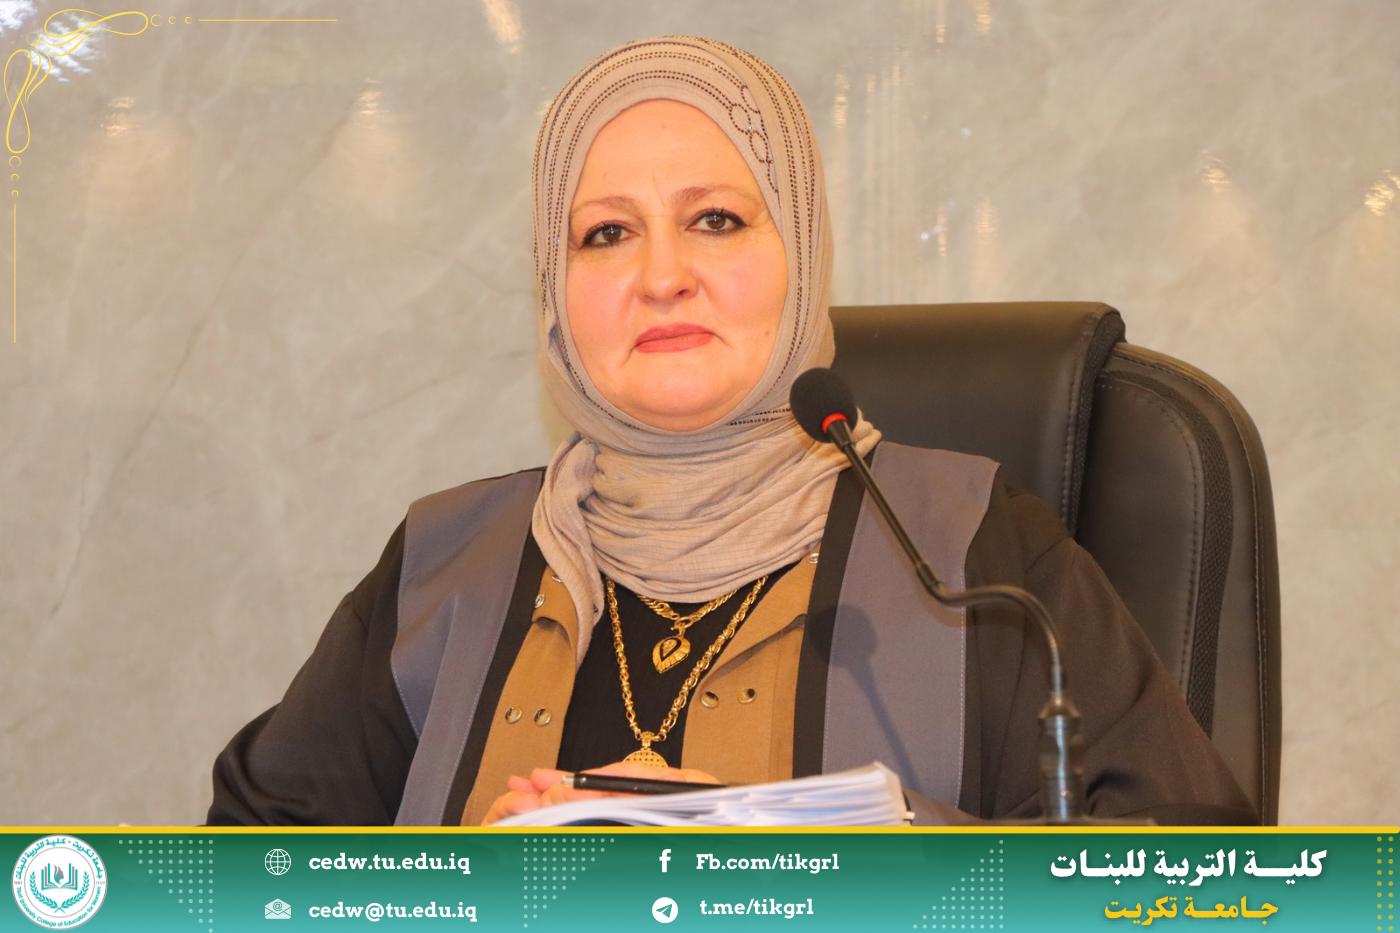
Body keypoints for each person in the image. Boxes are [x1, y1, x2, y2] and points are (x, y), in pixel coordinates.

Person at [206, 35, 1256, 827]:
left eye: (716, 219)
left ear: (798, 249)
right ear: (555, 290)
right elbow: (244, 874)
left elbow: (1177, 874)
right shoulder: (443, 567)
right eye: (604, 233)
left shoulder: (982, 553)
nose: (662, 275)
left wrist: (830, 864)